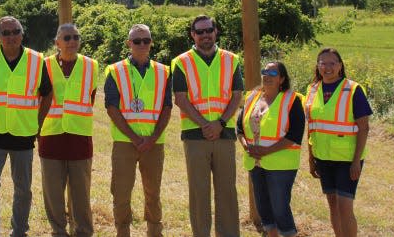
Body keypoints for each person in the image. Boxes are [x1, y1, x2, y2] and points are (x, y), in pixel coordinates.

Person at [0, 16, 53, 237]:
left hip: (23, 136)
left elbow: (48, 94)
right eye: (5, 33)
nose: (11, 37)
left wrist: (38, 123)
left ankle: (19, 232)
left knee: (23, 191)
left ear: (22, 33)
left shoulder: (37, 60)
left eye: (15, 31)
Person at [171, 15, 243, 237]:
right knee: (199, 192)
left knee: (227, 192)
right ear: (192, 35)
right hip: (195, 135)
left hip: (224, 134)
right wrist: (205, 124)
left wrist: (220, 123)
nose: (205, 35)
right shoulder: (181, 62)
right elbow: (180, 99)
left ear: (216, 31)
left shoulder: (232, 59)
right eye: (199, 32)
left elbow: (237, 95)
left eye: (208, 30)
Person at [105, 24, 172, 237]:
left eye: (146, 40)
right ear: (128, 44)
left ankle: (154, 231)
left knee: (153, 192)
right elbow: (112, 107)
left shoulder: (164, 71)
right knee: (121, 193)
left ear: (151, 43)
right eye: (137, 41)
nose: (142, 45)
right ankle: (122, 232)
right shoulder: (115, 71)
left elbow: (167, 107)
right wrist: (134, 138)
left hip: (154, 143)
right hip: (125, 142)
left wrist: (152, 138)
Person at [38, 23, 98, 237]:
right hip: (50, 136)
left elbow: (90, 97)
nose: (72, 41)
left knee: (81, 193)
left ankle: (82, 231)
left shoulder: (92, 66)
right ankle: (58, 231)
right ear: (57, 43)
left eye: (75, 37)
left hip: (80, 138)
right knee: (53, 192)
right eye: (67, 38)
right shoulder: (43, 66)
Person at [305, 48, 371, 237]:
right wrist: (311, 158)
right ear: (317, 66)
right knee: (333, 205)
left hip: (347, 160)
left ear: (340, 66)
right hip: (323, 157)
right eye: (323, 63)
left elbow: (364, 128)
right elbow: (312, 127)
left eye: (332, 63)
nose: (327, 67)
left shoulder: (353, 90)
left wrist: (356, 161)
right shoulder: (312, 90)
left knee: (344, 207)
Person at [236, 61, 305, 237]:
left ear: (282, 79)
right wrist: (246, 146)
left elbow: (295, 135)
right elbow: (239, 128)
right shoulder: (252, 97)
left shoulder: (292, 100)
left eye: (273, 73)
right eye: (265, 72)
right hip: (255, 162)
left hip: (280, 164)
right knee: (263, 207)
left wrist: (266, 151)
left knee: (280, 207)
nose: (267, 76)